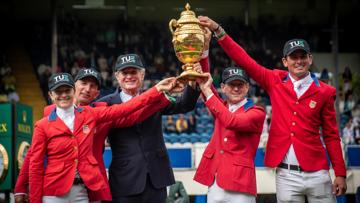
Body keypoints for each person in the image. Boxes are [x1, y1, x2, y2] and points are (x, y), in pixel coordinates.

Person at [198, 16, 347, 202]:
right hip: (286, 174)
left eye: (303, 56)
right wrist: (218, 31)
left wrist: (340, 172)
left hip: (318, 172)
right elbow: (244, 61)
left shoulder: (326, 91)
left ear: (310, 59)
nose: (298, 61)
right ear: (285, 61)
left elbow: (332, 135)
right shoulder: (274, 80)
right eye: (294, 57)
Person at [14, 68, 175, 203]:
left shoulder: (98, 112)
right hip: (57, 185)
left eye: (93, 86)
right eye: (83, 83)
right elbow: (33, 156)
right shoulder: (50, 114)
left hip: (91, 184)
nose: (87, 89)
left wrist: (161, 96)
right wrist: (20, 187)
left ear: (97, 93)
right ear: (74, 86)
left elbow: (130, 114)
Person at [97, 53, 201, 203]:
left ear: (142, 74)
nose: (129, 76)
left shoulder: (156, 97)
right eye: (125, 73)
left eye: (133, 72)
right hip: (124, 181)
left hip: (156, 178)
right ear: (116, 76)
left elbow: (185, 104)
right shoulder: (106, 103)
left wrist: (192, 81)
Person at [194, 68, 265, 203]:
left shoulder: (257, 112)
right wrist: (203, 54)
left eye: (240, 85)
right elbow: (206, 86)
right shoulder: (221, 108)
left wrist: (208, 91)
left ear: (247, 87)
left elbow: (232, 121)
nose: (236, 89)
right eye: (232, 85)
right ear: (223, 87)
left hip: (241, 185)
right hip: (216, 182)